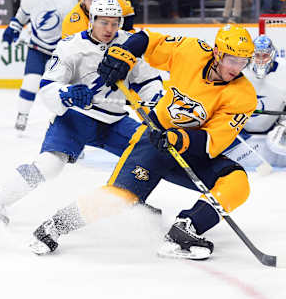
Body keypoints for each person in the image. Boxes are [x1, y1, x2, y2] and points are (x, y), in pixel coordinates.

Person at [28, 24, 258, 260]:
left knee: (237, 181)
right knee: (121, 197)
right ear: (217, 53)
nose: (237, 68)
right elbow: (148, 40)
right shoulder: (191, 51)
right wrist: (124, 55)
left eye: (243, 62)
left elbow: (213, 140)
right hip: (154, 140)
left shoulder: (244, 95)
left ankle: (186, 227)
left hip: (191, 149)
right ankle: (54, 226)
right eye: (232, 60)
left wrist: (177, 138)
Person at [0, 0, 164, 225]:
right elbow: (48, 85)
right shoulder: (71, 47)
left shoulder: (129, 45)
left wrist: (155, 105)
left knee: (148, 153)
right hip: (76, 119)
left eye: (114, 22)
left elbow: (148, 82)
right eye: (103, 22)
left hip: (114, 120)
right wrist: (67, 94)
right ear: (92, 19)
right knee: (50, 165)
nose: (109, 29)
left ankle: (131, 197)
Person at [1, 0, 77, 132]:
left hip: (58, 52)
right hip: (36, 47)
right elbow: (23, 14)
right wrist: (14, 27)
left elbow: (72, 28)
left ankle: (68, 128)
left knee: (61, 91)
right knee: (30, 81)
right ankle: (22, 114)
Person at [224, 35, 286, 170]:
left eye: (264, 56)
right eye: (257, 56)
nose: (260, 61)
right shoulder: (237, 70)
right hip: (237, 132)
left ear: (272, 56)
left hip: (271, 131)